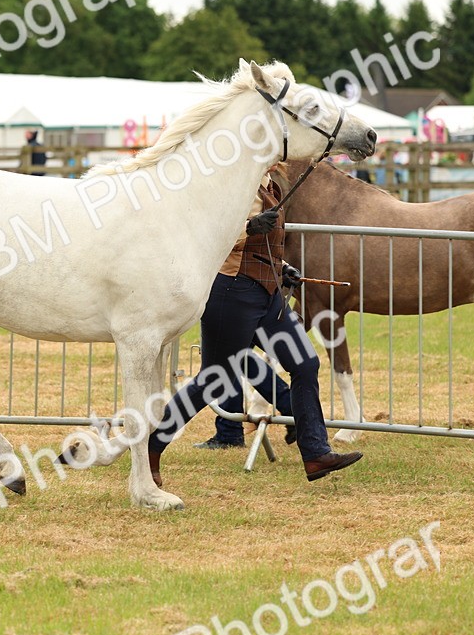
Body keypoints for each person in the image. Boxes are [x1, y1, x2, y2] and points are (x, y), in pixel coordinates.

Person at [148, 168, 363, 485]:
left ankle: (316, 453)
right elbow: (208, 236)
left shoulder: (270, 185)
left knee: (305, 363)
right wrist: (248, 228)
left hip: (269, 294)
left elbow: (267, 245)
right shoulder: (233, 182)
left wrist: (283, 267)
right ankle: (151, 448)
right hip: (233, 292)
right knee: (212, 382)